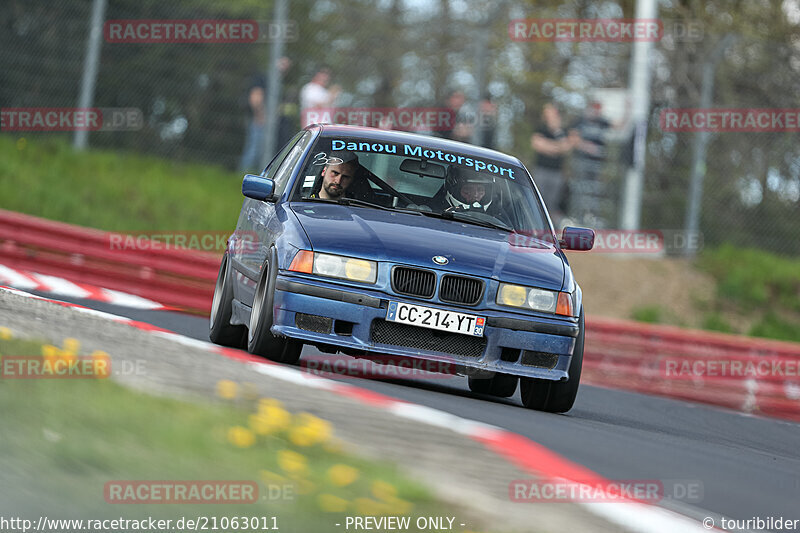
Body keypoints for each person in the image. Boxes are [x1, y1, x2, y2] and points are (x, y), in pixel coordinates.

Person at [239, 57, 291, 172]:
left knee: (266, 151)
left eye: (286, 66)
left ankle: (259, 176)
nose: (283, 68)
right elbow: (255, 97)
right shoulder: (264, 78)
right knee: (254, 149)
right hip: (260, 119)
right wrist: (260, 115)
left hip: (271, 122)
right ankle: (242, 175)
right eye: (282, 64)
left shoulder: (278, 83)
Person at [530, 103, 577, 224]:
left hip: (556, 172)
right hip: (541, 170)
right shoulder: (541, 128)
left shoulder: (563, 131)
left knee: (553, 202)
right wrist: (556, 148)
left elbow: (567, 146)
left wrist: (549, 145)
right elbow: (538, 144)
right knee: (538, 199)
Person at [431, 166, 501, 217]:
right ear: (454, 190)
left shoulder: (497, 214)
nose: (475, 195)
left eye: (480, 190)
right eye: (468, 190)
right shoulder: (431, 212)